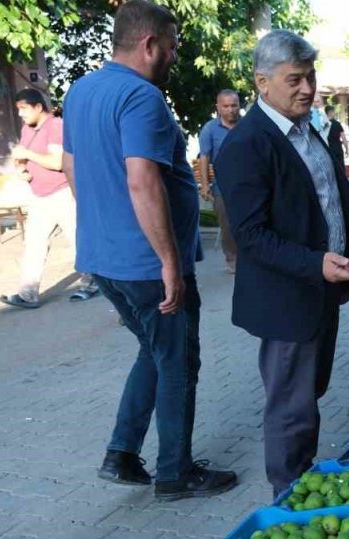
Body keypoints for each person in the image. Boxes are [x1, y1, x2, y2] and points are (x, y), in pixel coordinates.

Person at [63, 0, 236, 501]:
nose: (175, 56)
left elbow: (73, 170)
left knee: (154, 352)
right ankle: (175, 473)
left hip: (104, 259)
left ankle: (121, 454)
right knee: (178, 361)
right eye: (173, 46)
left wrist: (105, 227)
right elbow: (142, 180)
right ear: (149, 44)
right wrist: (168, 263)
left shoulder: (81, 91)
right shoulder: (142, 98)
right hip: (147, 265)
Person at [214, 30, 349, 493]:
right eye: (294, 79)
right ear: (262, 82)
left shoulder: (307, 129)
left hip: (320, 290)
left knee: (307, 394)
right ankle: (288, 498)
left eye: (310, 77)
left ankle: (302, 477)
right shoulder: (247, 144)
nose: (307, 88)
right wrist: (315, 263)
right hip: (286, 299)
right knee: (291, 406)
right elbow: (251, 236)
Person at [0, 88, 97, 309]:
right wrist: (21, 168)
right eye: (18, 110)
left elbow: (58, 162)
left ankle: (92, 283)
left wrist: (28, 156)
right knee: (34, 245)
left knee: (78, 241)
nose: (21, 114)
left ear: (38, 107)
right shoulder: (27, 129)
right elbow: (21, 154)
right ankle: (27, 294)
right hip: (38, 194)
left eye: (24, 109)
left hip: (63, 193)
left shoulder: (56, 126)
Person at [197, 89, 241, 273]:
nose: (230, 110)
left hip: (249, 183)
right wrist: (206, 184)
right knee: (227, 224)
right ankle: (233, 259)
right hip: (223, 186)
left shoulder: (247, 124)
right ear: (218, 108)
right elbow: (204, 157)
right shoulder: (210, 129)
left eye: (234, 105)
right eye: (226, 106)